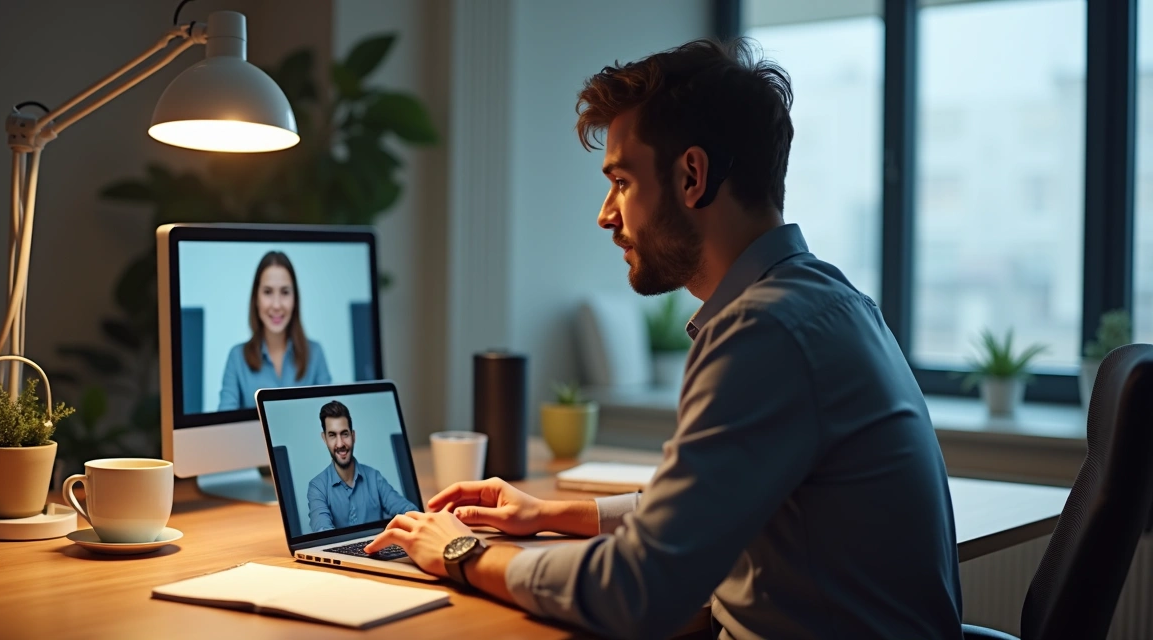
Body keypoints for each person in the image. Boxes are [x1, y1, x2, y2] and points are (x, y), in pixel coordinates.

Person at [365, 38, 964, 639]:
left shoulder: (763, 331)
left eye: (621, 181)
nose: (606, 213)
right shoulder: (830, 302)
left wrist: (463, 553)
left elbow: (640, 589)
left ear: (692, 176)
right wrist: (553, 514)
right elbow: (709, 506)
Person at [218, 251, 331, 411]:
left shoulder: (315, 353)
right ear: (256, 299)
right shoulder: (237, 357)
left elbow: (330, 419)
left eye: (285, 292)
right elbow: (224, 426)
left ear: (295, 299)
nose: (277, 305)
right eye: (268, 292)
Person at [307, 400, 416, 532]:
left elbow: (409, 512)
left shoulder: (374, 477)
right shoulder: (317, 487)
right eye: (332, 435)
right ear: (324, 439)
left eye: (344, 434)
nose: (340, 443)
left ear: (353, 436)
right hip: (338, 550)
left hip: (378, 548)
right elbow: (322, 531)